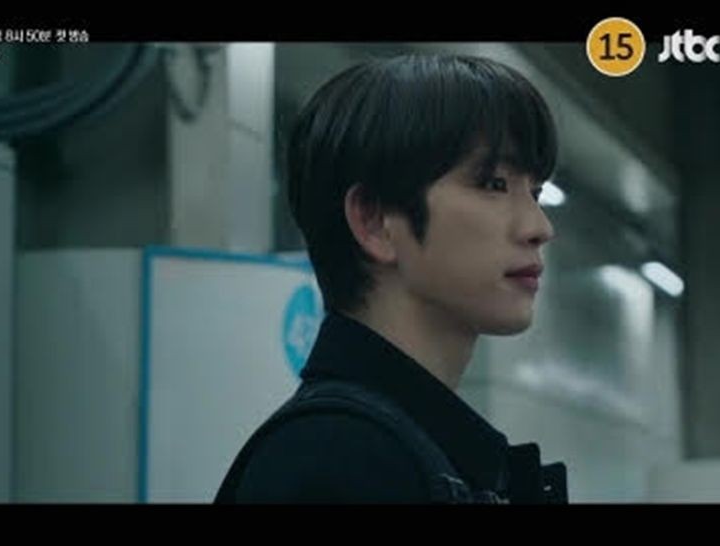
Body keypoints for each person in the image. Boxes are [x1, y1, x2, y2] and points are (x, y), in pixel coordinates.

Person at [214, 53, 568, 504]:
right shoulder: (337, 462)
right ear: (375, 221)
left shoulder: (413, 452)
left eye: (534, 192)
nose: (539, 227)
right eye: (493, 184)